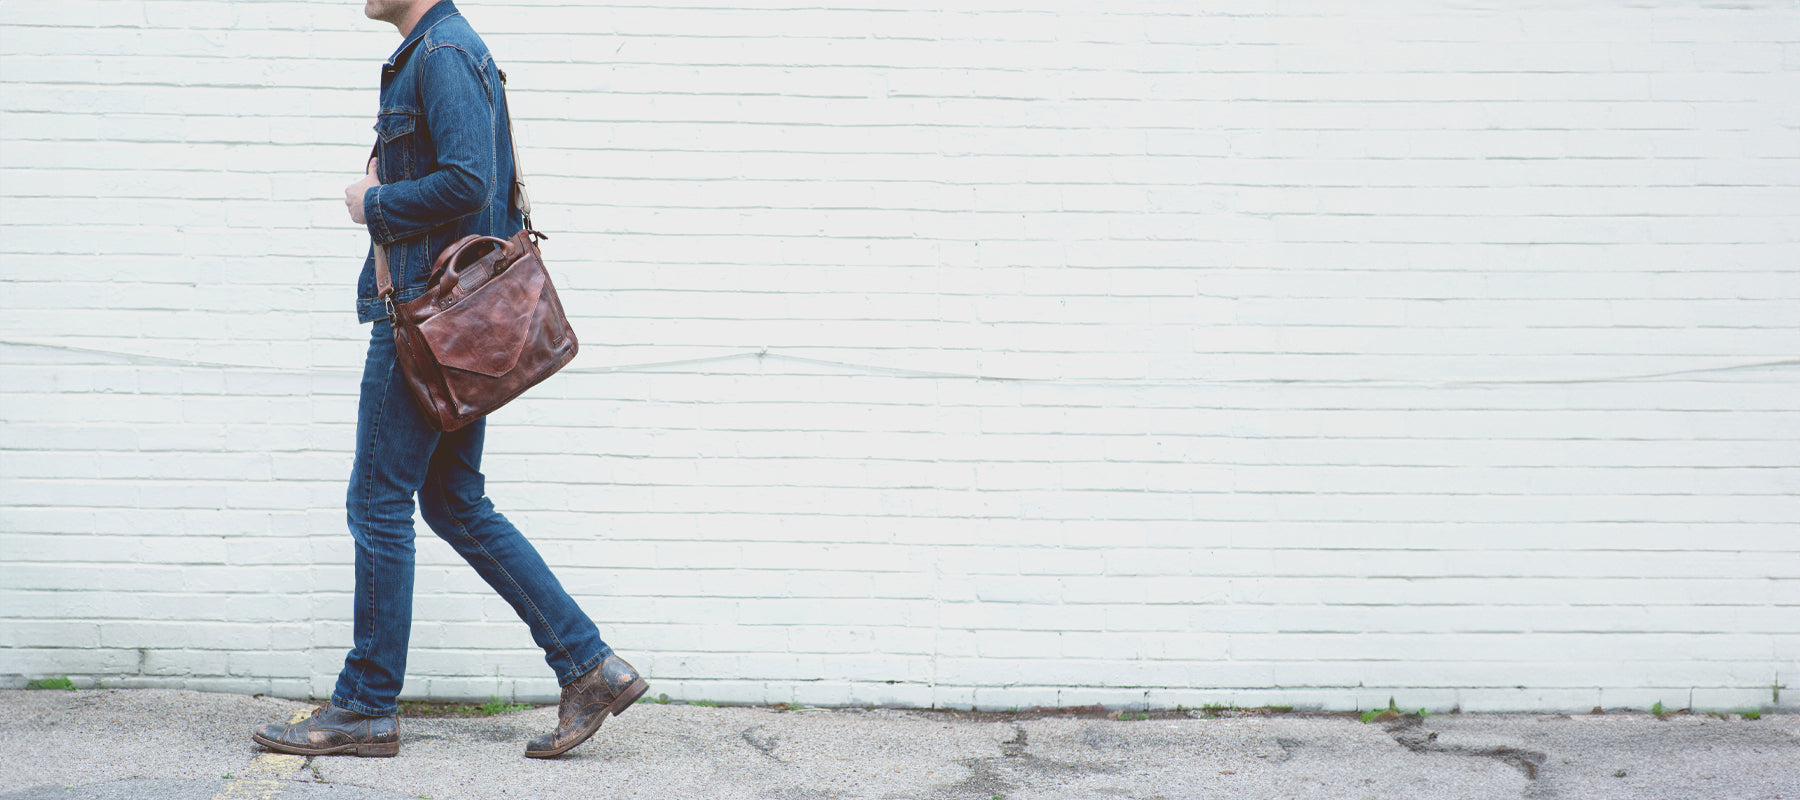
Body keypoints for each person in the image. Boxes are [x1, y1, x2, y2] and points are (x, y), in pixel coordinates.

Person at [252, 0, 645, 760]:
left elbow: (468, 184)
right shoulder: (436, 54)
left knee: (378, 500)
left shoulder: (441, 56)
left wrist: (373, 202)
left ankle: (366, 704)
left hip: (429, 328)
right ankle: (588, 666)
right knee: (454, 500)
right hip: (450, 328)